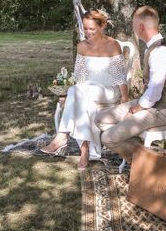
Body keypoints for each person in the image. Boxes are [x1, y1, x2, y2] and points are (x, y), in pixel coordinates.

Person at [40, 9, 128, 170]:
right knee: (77, 91)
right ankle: (85, 149)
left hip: (108, 91)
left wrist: (125, 102)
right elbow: (79, 77)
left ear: (102, 26)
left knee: (78, 91)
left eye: (92, 29)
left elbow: (120, 77)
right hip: (86, 91)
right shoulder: (81, 46)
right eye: (85, 28)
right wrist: (66, 95)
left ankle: (62, 136)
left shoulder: (113, 45)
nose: (88, 32)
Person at [95, 6, 166, 164]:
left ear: (140, 27)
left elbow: (154, 93)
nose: (133, 28)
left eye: (134, 24)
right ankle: (144, 154)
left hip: (161, 110)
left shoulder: (160, 51)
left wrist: (133, 110)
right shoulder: (154, 47)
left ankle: (143, 164)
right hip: (150, 105)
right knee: (100, 119)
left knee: (107, 138)